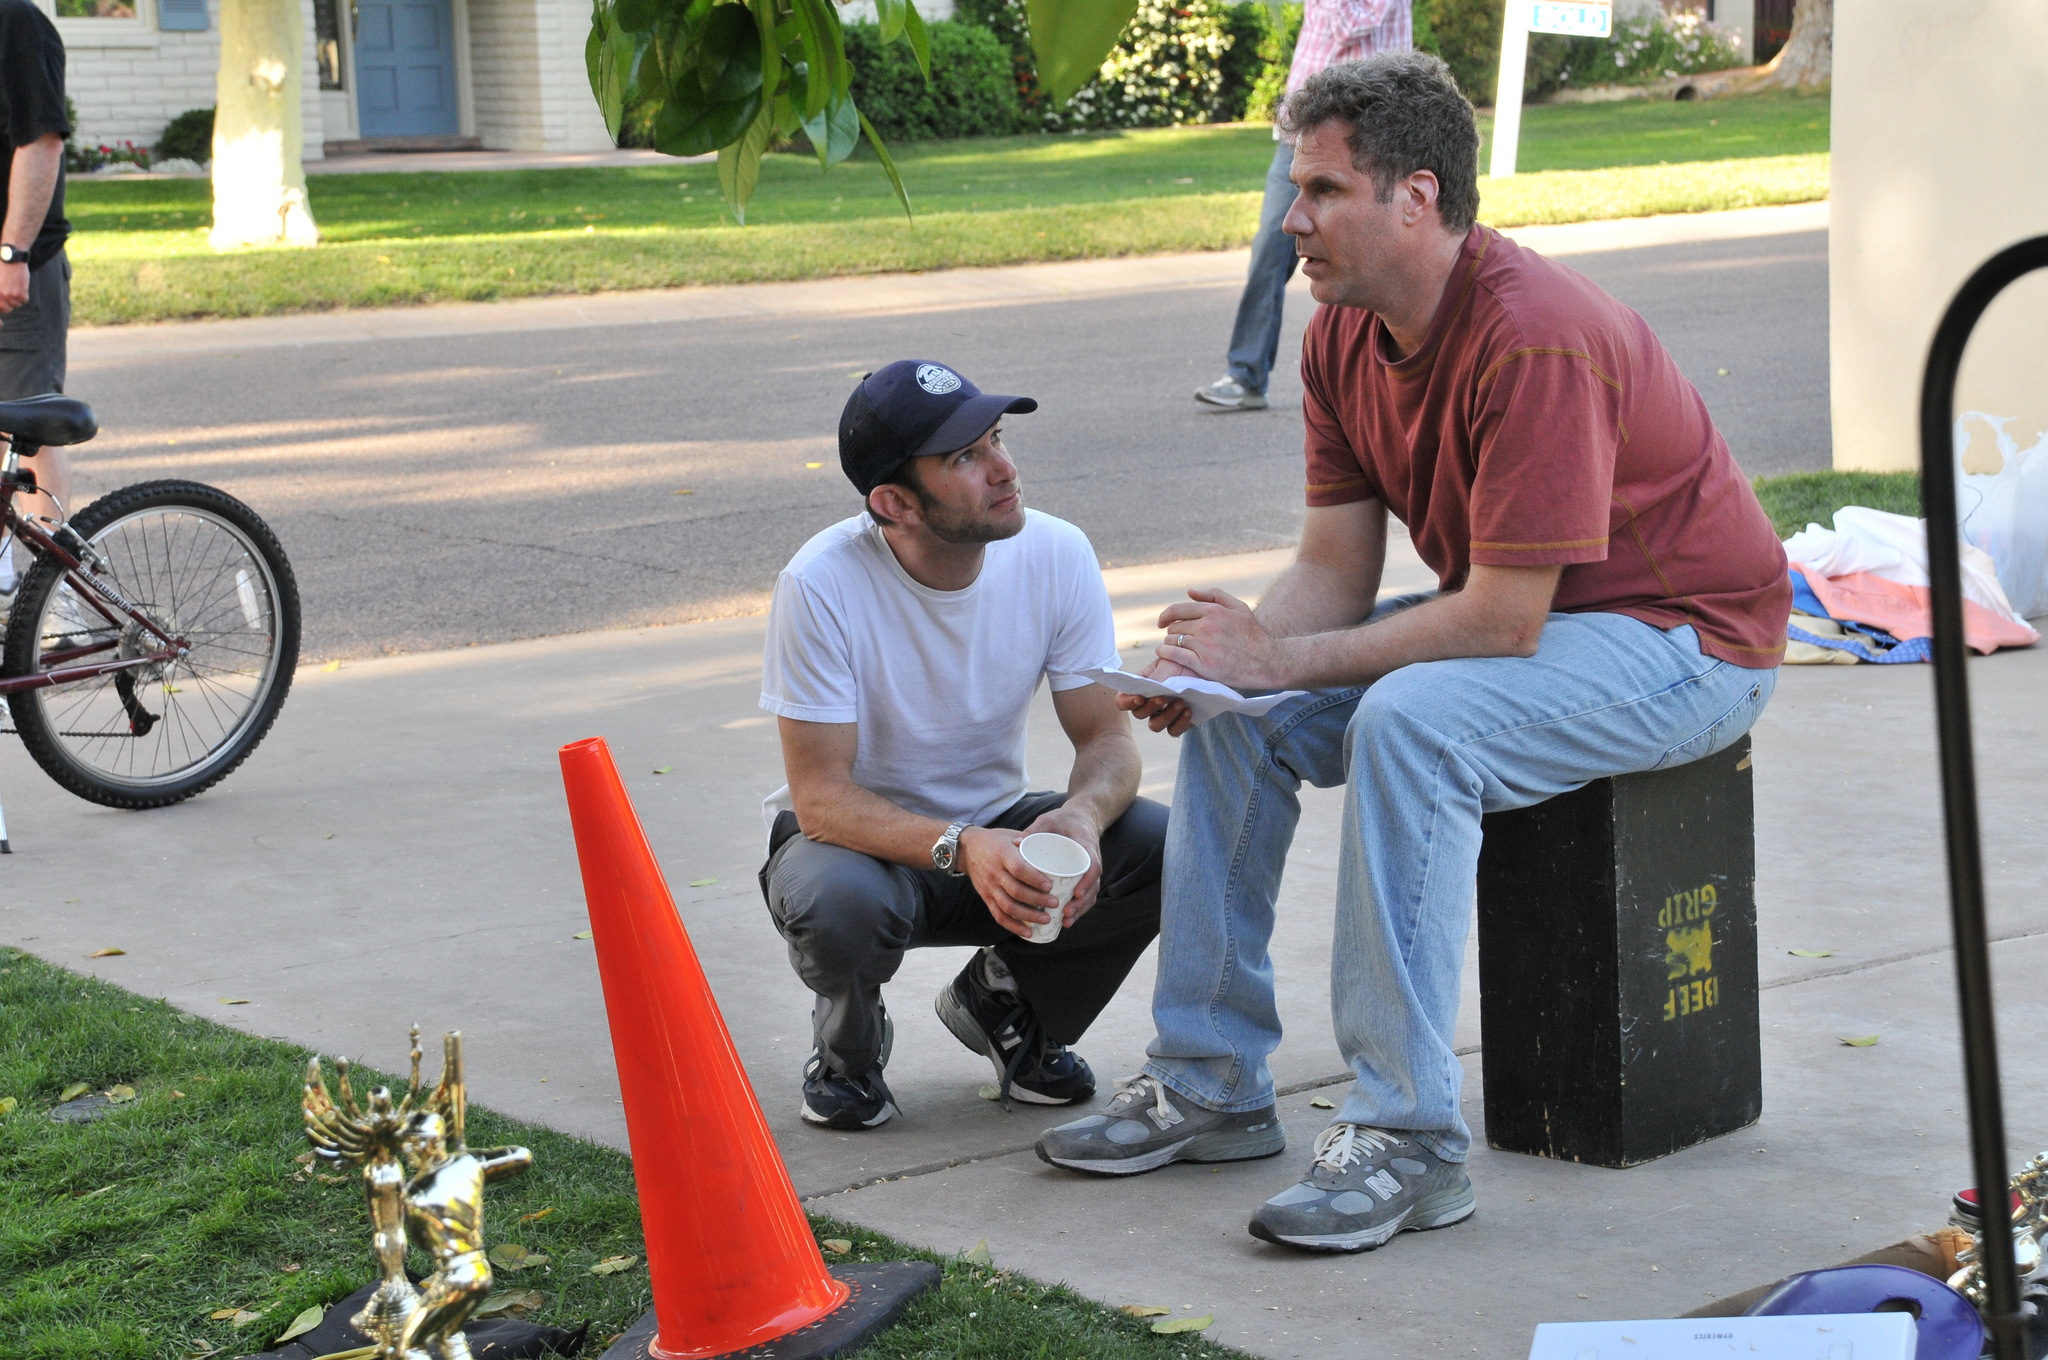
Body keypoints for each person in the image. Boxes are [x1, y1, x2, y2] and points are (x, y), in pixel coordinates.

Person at [1039, 54, 1791, 1252]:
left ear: (1417, 197)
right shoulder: (1341, 336)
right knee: (1244, 718)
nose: (1292, 221)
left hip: (1686, 641)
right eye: (1295, 189)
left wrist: (1282, 659)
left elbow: (1498, 622)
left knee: (1414, 722)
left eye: (1322, 191)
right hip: (1535, 619)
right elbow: (1334, 567)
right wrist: (1234, 661)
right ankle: (1209, 1077)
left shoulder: (1532, 337)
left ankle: (1407, 1139)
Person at [758, 359, 1168, 1131]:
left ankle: (1008, 1004)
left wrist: (1081, 816)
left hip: (994, 828)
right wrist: (964, 845)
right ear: (892, 503)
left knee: (1158, 842)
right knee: (836, 901)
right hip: (855, 848)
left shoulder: (1055, 551)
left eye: (998, 439)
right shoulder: (820, 584)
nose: (1005, 469)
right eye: (964, 458)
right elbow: (820, 800)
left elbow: (1106, 737)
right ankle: (847, 1044)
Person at [1193, 0, 1410, 412]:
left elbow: (1352, 24)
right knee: (1270, 249)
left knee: (1361, 257)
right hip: (1302, 136)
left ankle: (1373, 384)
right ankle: (1246, 377)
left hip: (1364, 141)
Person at [0, 0, 74, 606]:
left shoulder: (17, 24)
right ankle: (3, 581)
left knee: (29, 427)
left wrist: (12, 253)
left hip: (16, 273)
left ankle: (58, 599)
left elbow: (41, 141)